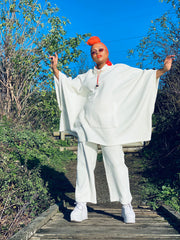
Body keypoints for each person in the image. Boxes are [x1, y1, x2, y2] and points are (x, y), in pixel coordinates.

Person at [49, 36, 175, 224]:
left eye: (100, 50)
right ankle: (81, 205)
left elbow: (144, 77)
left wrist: (163, 70)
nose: (96, 53)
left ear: (107, 52)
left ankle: (126, 205)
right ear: (91, 56)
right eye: (93, 51)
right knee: (84, 165)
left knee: (117, 165)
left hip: (110, 127)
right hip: (87, 125)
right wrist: (55, 69)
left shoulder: (119, 71)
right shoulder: (87, 76)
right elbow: (69, 86)